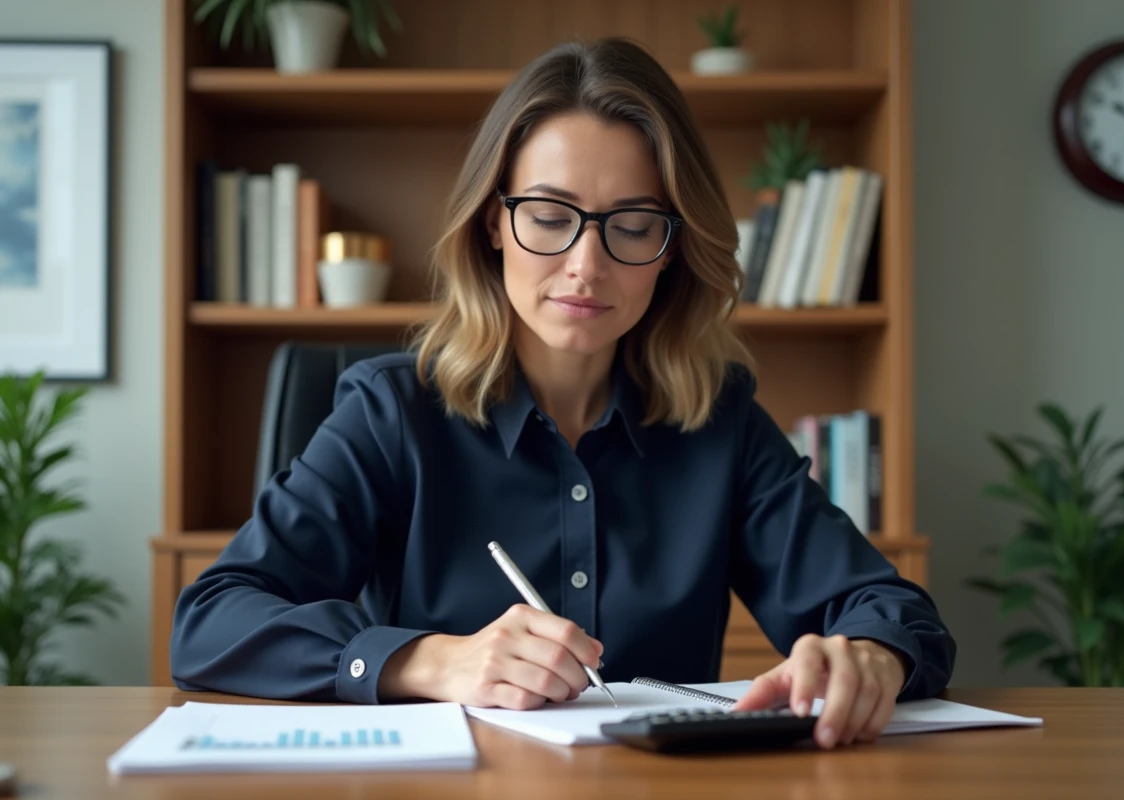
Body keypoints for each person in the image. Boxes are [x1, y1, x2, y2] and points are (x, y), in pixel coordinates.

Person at [170, 37, 955, 751]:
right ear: (493, 225)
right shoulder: (390, 413)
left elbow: (895, 612)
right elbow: (212, 619)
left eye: (634, 224)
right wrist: (429, 660)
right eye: (549, 216)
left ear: (673, 249)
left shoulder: (720, 423)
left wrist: (870, 658)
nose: (586, 265)